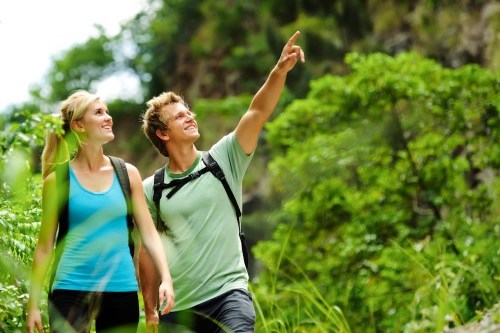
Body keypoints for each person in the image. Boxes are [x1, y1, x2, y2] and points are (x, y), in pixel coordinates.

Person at [139, 31, 305, 332]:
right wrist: (150, 310)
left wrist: (279, 71)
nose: (190, 117)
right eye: (179, 116)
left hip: (229, 296)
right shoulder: (152, 189)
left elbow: (257, 111)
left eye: (189, 111)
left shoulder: (224, 158)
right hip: (180, 310)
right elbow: (148, 250)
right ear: (163, 133)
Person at [25, 90, 175, 333]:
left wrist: (166, 279)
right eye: (99, 113)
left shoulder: (128, 174)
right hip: (70, 289)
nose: (108, 117)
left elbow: (149, 234)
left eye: (107, 111)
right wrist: (32, 306)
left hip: (121, 288)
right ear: (78, 125)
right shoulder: (57, 180)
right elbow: (44, 246)